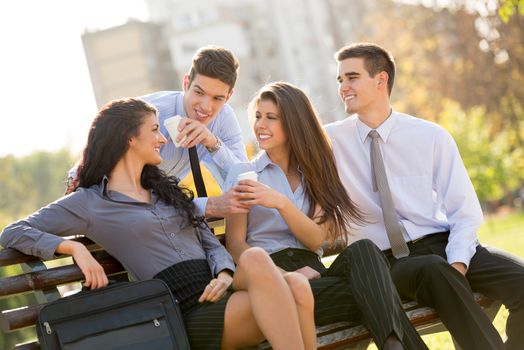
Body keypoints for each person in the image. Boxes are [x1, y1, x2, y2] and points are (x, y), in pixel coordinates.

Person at [0, 98, 315, 350]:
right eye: (154, 130)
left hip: (221, 289)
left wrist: (224, 272)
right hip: (187, 310)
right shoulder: (89, 202)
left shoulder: (166, 191)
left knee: (290, 280)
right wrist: (71, 248)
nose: (163, 139)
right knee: (286, 286)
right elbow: (12, 232)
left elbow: (207, 239)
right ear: (129, 138)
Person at [326, 42, 524, 350]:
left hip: (442, 245)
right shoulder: (329, 141)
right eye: (340, 80)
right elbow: (270, 156)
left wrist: (458, 262)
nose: (343, 87)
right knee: (433, 270)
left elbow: (464, 210)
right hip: (388, 260)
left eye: (351, 77)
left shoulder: (429, 136)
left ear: (381, 80)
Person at [225, 82, 428, 350]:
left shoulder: (316, 172)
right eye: (258, 117)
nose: (260, 125)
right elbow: (236, 244)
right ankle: (394, 345)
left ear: (294, 123)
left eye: (271, 118)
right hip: (275, 281)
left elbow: (314, 240)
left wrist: (281, 203)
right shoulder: (243, 173)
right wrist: (283, 275)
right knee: (376, 295)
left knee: (364, 250)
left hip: (316, 275)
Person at [66, 45, 249, 218]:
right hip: (114, 203)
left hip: (161, 209)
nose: (206, 107)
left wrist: (213, 144)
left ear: (229, 96)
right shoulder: (150, 112)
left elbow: (243, 180)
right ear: (186, 83)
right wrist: (76, 177)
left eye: (218, 98)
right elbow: (100, 143)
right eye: (199, 93)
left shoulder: (224, 119)